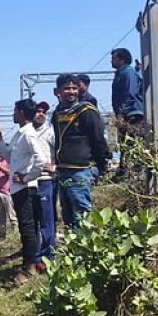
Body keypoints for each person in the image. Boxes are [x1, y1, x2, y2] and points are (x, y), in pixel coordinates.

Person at [0, 99, 48, 285]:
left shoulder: (29, 135)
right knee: (27, 228)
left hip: (25, 188)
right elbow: (11, 158)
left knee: (28, 229)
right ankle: (29, 264)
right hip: (19, 188)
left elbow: (41, 160)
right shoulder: (20, 134)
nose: (13, 114)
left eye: (15, 110)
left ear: (22, 113)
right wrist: (0, 140)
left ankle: (30, 267)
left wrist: (26, 177)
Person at [52, 73, 109, 228]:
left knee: (82, 215)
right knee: (68, 216)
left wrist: (101, 165)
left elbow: (98, 139)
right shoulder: (57, 113)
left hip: (80, 170)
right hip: (63, 170)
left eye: (74, 88)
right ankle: (74, 249)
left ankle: (86, 249)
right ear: (57, 92)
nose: (71, 92)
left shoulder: (86, 111)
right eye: (67, 88)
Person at [111, 48, 145, 178]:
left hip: (132, 114)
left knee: (132, 142)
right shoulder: (122, 73)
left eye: (114, 58)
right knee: (124, 143)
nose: (111, 61)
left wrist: (122, 113)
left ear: (122, 59)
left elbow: (130, 94)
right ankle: (124, 170)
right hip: (126, 113)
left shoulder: (128, 73)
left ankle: (134, 171)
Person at [33, 101, 57, 265]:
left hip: (45, 181)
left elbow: (60, 149)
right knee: (33, 221)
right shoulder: (26, 133)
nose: (41, 114)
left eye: (43, 112)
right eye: (38, 111)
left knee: (47, 220)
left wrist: (54, 165)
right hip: (29, 182)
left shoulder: (50, 132)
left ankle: (48, 255)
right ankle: (35, 255)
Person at [0, 153, 17, 239]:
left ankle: (15, 234)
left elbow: (9, 173)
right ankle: (2, 235)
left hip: (6, 191)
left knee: (11, 214)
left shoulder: (8, 162)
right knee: (0, 216)